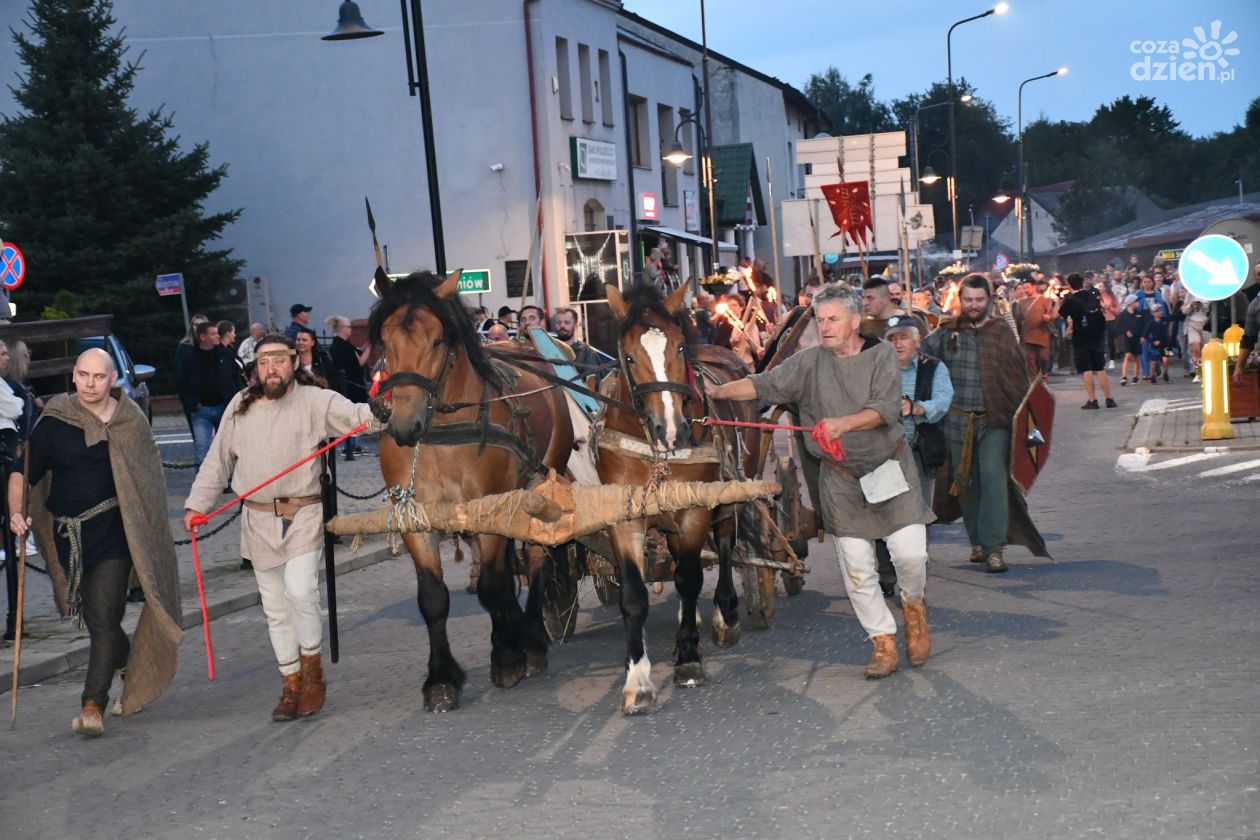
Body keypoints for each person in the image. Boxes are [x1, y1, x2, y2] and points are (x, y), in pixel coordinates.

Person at [707, 284, 934, 680]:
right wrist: (715, 391)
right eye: (819, 319)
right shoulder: (809, 362)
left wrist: (843, 423)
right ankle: (882, 640)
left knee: (910, 555)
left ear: (854, 320)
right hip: (841, 479)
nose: (825, 327)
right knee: (859, 568)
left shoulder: (881, 354)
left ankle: (913, 607)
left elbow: (883, 410)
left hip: (888, 468)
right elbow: (762, 385)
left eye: (833, 319)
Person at [183, 334, 377, 721]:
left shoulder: (315, 400)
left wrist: (386, 408)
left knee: (301, 590)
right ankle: (290, 684)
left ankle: (313, 674)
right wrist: (195, 505)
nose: (271, 368)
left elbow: (360, 418)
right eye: (264, 361)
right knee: (274, 606)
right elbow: (217, 460)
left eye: (279, 360)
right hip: (256, 519)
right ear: (256, 368)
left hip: (303, 513)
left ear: (293, 362)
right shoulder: (240, 406)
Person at [9, 349, 182, 735]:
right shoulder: (55, 420)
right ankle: (125, 664)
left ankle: (93, 705)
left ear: (113, 378)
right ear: (73, 376)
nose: (90, 384)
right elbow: (25, 472)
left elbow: (148, 482)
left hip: (116, 534)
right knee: (98, 620)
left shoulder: (129, 421)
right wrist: (17, 511)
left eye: (99, 377)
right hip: (68, 536)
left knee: (104, 617)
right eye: (83, 375)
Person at [921, 274, 1049, 573]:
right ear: (960, 300)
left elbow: (1018, 377)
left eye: (979, 300)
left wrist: (1031, 420)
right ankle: (977, 541)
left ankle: (994, 548)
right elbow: (919, 357)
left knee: (994, 479)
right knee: (966, 485)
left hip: (996, 419)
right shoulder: (946, 332)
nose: (974, 305)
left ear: (989, 300)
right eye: (968, 300)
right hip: (956, 421)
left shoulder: (1001, 332)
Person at [176, 321, 246, 467]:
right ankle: (202, 484)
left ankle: (227, 480)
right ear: (203, 337)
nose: (217, 336)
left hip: (223, 407)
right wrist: (192, 403)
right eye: (213, 334)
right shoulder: (190, 359)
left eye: (217, 333)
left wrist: (236, 399)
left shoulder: (225, 354)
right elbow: (181, 384)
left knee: (226, 446)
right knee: (202, 446)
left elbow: (236, 375)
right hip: (201, 410)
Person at [1058, 273, 1116, 408]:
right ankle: (1109, 399)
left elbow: (1058, 314)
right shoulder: (1093, 296)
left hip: (1081, 337)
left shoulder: (1071, 300)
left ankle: (1092, 400)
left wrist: (1058, 300)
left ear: (1069, 285)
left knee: (1087, 369)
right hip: (1097, 336)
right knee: (1100, 368)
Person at [325, 315, 371, 460]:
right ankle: (350, 446)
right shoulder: (343, 346)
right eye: (349, 327)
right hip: (351, 386)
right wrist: (370, 347)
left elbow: (356, 354)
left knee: (352, 416)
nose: (351, 329)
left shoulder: (340, 344)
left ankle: (353, 444)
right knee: (353, 416)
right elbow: (360, 362)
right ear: (343, 329)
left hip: (346, 385)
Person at [860, 277, 925, 340]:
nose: (864, 303)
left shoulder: (912, 321)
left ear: (885, 299)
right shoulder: (860, 325)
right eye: (863, 298)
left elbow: (927, 348)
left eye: (870, 298)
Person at [1016, 281, 1056, 379]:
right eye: (1024, 288)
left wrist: (1048, 317)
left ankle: (1044, 373)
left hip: (1042, 334)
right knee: (1030, 360)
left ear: (1034, 287)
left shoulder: (1044, 300)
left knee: (1044, 357)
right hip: (1027, 335)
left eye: (1027, 287)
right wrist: (1018, 334)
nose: (1025, 290)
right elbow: (1018, 319)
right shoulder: (1021, 302)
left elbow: (1051, 314)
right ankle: (1033, 382)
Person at [551, 307, 605, 372]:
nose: (562, 326)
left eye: (567, 322)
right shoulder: (549, 349)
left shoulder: (586, 352)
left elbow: (592, 380)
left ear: (575, 326)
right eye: (559, 323)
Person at [294, 326, 341, 392]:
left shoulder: (321, 358)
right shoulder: (291, 357)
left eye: (304, 340)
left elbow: (333, 378)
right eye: (298, 339)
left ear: (312, 343)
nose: (300, 342)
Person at [1117, 294, 1145, 386]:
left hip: (1137, 338)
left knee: (1136, 358)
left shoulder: (1138, 314)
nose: (1138, 303)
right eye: (1136, 301)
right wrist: (1125, 332)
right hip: (1128, 339)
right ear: (1131, 303)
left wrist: (1142, 336)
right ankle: (1124, 377)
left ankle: (1135, 377)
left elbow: (1142, 326)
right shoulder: (1123, 314)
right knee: (1128, 356)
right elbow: (1116, 326)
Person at [1143, 304, 1170, 383]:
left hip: (1165, 344)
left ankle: (1165, 372)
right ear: (1153, 313)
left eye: (1160, 310)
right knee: (1154, 361)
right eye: (1157, 311)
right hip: (1155, 345)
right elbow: (1146, 334)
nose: (1160, 312)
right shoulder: (1151, 323)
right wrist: (1153, 341)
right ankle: (1153, 375)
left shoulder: (1164, 320)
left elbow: (1173, 317)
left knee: (1166, 359)